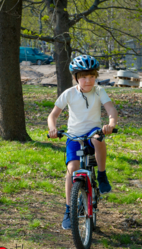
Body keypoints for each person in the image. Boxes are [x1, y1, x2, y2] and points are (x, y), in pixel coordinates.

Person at [47, 55, 118, 230]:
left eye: (92, 77)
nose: (88, 81)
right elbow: (53, 115)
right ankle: (69, 210)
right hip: (74, 136)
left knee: (98, 139)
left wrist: (111, 124)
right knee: (72, 170)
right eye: (84, 77)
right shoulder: (69, 93)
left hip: (93, 132)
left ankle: (101, 175)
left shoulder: (99, 91)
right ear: (76, 77)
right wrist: (53, 129)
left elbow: (111, 110)